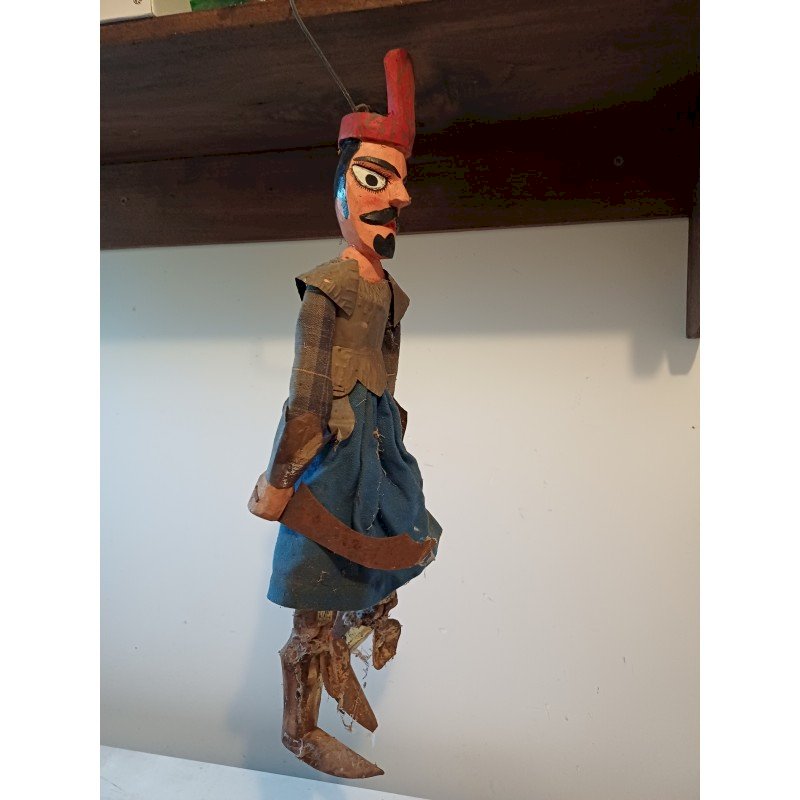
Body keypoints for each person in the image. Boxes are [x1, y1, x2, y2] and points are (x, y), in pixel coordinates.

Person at [248, 49, 441, 779]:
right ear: (341, 188)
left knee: (388, 548)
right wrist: (279, 481)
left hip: (376, 445)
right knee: (316, 579)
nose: (400, 198)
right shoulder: (326, 287)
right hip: (333, 451)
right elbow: (306, 400)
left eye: (401, 181)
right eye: (375, 178)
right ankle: (300, 726)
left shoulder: (389, 294)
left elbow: (386, 384)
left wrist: (391, 455)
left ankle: (347, 642)